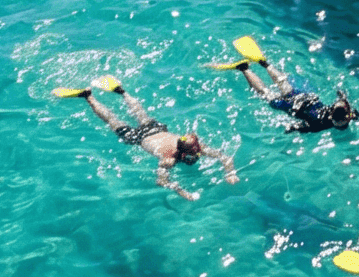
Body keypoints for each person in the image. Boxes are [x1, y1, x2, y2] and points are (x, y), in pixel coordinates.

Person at [60, 77, 236, 202]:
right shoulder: (168, 159)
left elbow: (225, 157)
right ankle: (88, 96)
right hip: (140, 137)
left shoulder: (196, 147)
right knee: (113, 120)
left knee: (139, 114)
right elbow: (161, 181)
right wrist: (183, 193)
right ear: (189, 149)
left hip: (156, 131)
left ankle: (121, 91)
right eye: (196, 148)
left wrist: (230, 173)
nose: (199, 149)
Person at [227, 50, 359, 131]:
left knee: (283, 83)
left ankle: (264, 64)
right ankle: (244, 68)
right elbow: (298, 127)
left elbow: (342, 99)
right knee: (265, 93)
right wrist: (290, 129)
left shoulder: (344, 110)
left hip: (306, 98)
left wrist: (341, 95)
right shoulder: (319, 125)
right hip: (292, 106)